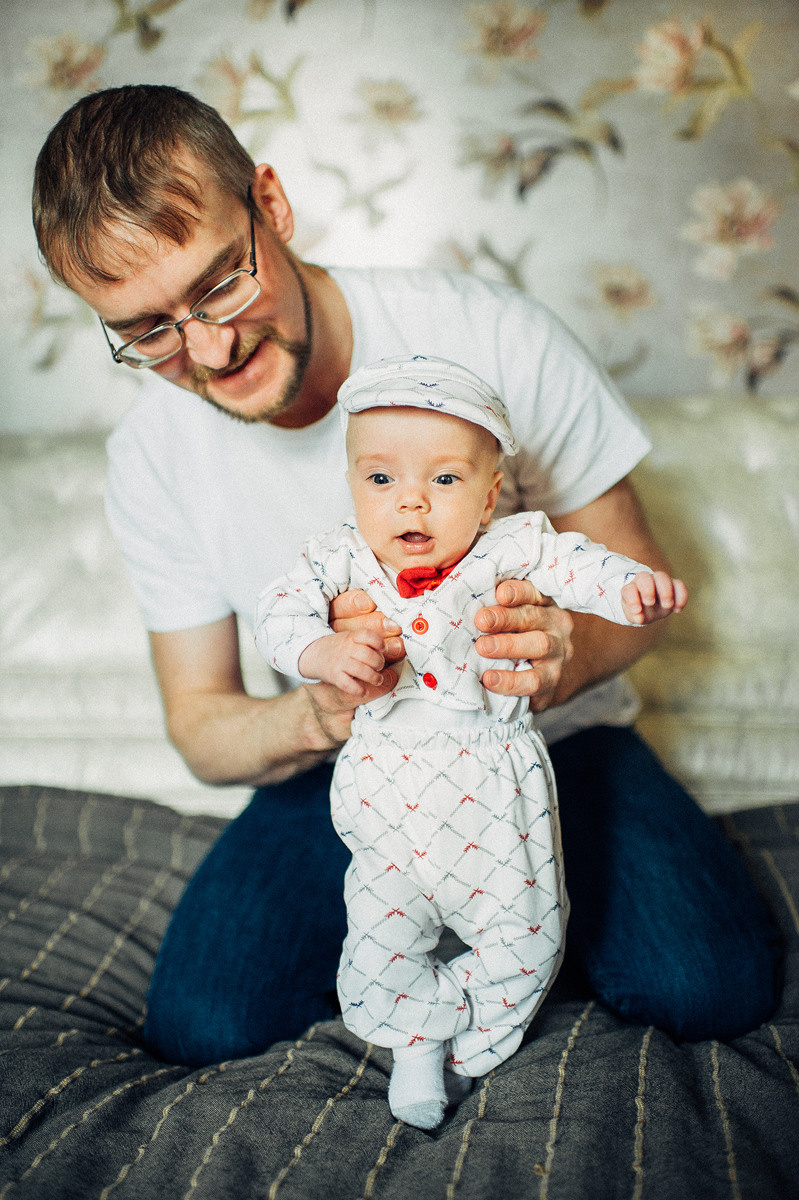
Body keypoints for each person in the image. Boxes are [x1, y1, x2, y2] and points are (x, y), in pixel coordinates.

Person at [31, 84, 781, 1069]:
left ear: (271, 204)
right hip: (355, 766)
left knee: (709, 986)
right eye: (149, 331)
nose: (210, 350)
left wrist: (562, 654)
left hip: (551, 743)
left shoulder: (491, 335)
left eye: (220, 284)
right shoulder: (151, 458)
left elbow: (636, 579)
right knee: (202, 1026)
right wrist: (315, 714)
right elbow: (201, 726)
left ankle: (515, 934)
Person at [255, 355, 689, 1128]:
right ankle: (415, 1045)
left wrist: (632, 589)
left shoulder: (509, 551)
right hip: (385, 790)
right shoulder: (338, 560)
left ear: (490, 495)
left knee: (528, 936)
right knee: (378, 941)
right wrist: (321, 654)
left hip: (493, 786)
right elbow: (278, 615)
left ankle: (461, 1041)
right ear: (352, 482)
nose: (410, 499)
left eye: (445, 480)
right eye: (379, 479)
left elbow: (578, 565)